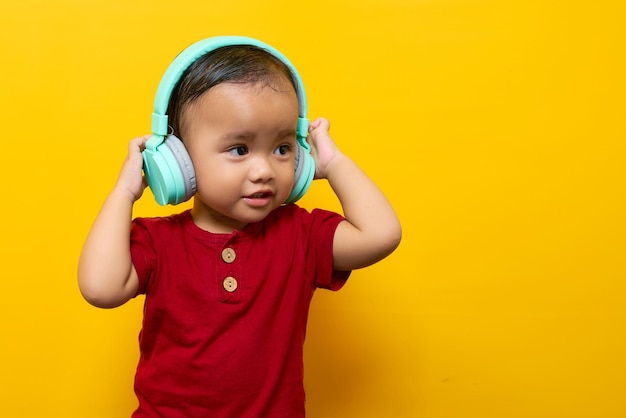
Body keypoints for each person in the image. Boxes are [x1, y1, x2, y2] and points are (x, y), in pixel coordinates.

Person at [78, 42, 401, 417]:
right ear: (177, 158)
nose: (264, 170)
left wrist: (333, 162)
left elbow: (382, 234)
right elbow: (101, 289)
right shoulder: (158, 241)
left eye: (282, 149)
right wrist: (124, 193)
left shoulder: (301, 234)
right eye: (239, 149)